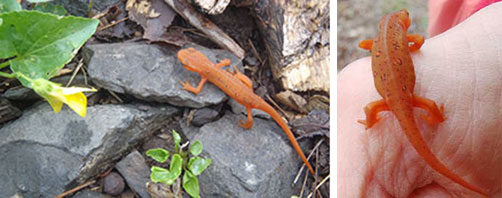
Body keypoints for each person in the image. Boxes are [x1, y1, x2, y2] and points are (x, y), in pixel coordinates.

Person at [338, 2, 502, 197]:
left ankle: (370, 121)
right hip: (406, 96)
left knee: (371, 108)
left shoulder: (374, 43)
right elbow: (419, 42)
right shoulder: (405, 37)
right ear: (404, 24)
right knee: (430, 106)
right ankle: (437, 118)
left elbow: (362, 45)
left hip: (388, 101)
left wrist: (371, 120)